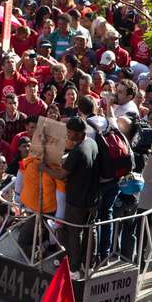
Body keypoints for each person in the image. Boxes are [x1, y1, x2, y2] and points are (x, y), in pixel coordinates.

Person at [41, 117, 98, 277]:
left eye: (69, 132)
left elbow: (61, 175)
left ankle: (74, 268)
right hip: (92, 199)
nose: (67, 135)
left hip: (77, 201)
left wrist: (44, 168)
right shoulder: (92, 143)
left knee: (74, 233)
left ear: (78, 133)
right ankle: (87, 264)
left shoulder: (77, 151)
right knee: (89, 230)